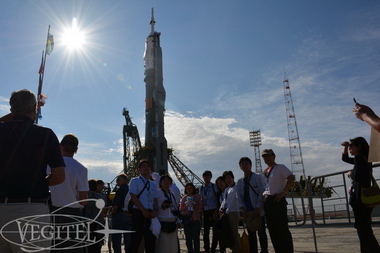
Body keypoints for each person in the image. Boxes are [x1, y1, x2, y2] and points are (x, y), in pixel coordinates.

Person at [0, 89, 65, 252]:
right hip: (32, 209)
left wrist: (18, 112)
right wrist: (40, 182)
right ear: (35, 109)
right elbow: (59, 176)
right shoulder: (46, 135)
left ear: (11, 110)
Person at [48, 133, 89, 252]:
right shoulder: (81, 169)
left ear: (61, 146)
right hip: (73, 214)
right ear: (76, 149)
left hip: (52, 212)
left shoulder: (49, 165)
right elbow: (84, 200)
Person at [341, 137, 380, 252]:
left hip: (360, 198)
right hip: (367, 198)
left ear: (359, 147)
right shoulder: (365, 158)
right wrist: (346, 147)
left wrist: (350, 174)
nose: (350, 149)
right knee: (365, 227)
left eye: (351, 146)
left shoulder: (358, 158)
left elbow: (358, 177)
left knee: (363, 229)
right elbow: (345, 159)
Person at [261, 149, 294, 253]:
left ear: (274, 156)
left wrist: (284, 192)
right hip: (268, 201)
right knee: (272, 230)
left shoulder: (280, 167)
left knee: (282, 230)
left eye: (268, 156)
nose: (266, 158)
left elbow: (291, 178)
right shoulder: (265, 171)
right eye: (264, 157)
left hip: (277, 200)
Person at [237, 157, 268, 253]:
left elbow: (262, 191)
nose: (244, 166)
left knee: (261, 233)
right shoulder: (240, 182)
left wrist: (258, 207)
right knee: (251, 235)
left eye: (246, 164)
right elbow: (239, 197)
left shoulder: (257, 177)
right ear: (240, 167)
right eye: (242, 164)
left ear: (250, 165)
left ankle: (264, 251)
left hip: (257, 210)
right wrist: (243, 209)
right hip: (247, 212)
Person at [128, 160, 158, 253]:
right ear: (139, 170)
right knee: (135, 240)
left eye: (148, 166)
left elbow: (155, 199)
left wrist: (155, 210)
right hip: (138, 213)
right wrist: (143, 210)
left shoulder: (153, 184)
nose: (146, 168)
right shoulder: (135, 181)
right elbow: (133, 197)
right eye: (144, 166)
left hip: (150, 214)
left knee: (151, 241)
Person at [155, 174, 181, 253]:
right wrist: (162, 205)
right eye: (164, 181)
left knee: (172, 245)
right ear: (161, 183)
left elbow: (175, 207)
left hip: (172, 220)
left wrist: (178, 220)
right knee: (163, 244)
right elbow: (154, 206)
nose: (166, 182)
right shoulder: (158, 193)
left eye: (168, 181)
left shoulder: (172, 194)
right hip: (162, 220)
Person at [220, 171, 241, 253]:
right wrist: (221, 208)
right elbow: (225, 201)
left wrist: (227, 211)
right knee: (230, 232)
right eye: (226, 179)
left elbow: (234, 201)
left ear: (232, 178)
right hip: (227, 212)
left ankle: (237, 249)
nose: (228, 180)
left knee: (234, 232)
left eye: (229, 178)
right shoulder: (227, 189)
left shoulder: (236, 188)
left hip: (234, 212)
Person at [83, 179, 105, 253]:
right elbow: (101, 212)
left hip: (86, 223)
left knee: (87, 245)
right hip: (97, 223)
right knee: (97, 245)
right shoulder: (99, 197)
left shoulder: (85, 197)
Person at [180, 182, 202, 253]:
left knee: (196, 238)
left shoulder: (197, 197)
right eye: (187, 188)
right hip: (187, 220)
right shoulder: (184, 198)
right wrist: (186, 206)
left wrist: (194, 205)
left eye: (191, 188)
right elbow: (180, 209)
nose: (189, 189)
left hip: (195, 220)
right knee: (188, 238)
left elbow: (201, 207)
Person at [112, 174, 132, 253]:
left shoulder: (119, 191)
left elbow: (115, 205)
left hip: (119, 215)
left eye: (118, 180)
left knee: (117, 238)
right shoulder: (131, 190)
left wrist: (112, 213)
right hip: (129, 215)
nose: (117, 182)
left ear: (122, 180)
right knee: (128, 238)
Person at [200, 170, 219, 253]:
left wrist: (216, 211)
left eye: (208, 176)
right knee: (206, 231)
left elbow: (218, 198)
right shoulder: (201, 188)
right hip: (205, 211)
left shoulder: (214, 186)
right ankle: (207, 248)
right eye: (205, 176)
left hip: (213, 210)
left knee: (215, 231)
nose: (206, 178)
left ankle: (214, 248)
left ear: (211, 177)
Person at [213, 176, 227, 253]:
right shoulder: (218, 194)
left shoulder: (228, 191)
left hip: (228, 214)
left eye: (221, 182)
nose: (220, 184)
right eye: (218, 183)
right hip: (220, 215)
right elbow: (218, 204)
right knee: (218, 233)